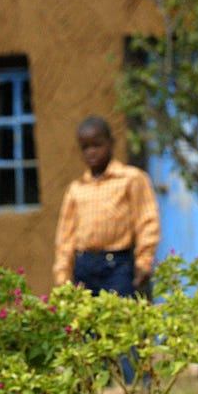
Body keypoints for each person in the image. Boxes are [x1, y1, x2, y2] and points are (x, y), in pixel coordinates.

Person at [53, 115, 161, 296]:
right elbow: (66, 235)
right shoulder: (76, 188)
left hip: (117, 265)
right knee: (86, 321)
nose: (91, 152)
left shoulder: (131, 178)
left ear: (111, 143)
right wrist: (62, 274)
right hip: (83, 266)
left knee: (120, 318)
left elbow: (147, 221)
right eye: (85, 147)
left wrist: (144, 261)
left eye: (97, 145)